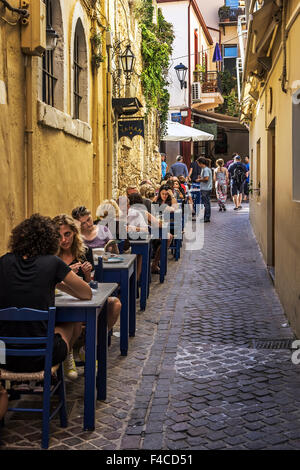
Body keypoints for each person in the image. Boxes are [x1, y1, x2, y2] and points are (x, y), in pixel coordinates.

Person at [0, 214, 92, 382]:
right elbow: (86, 293)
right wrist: (56, 281)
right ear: (50, 240)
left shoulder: (4, 261)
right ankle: (57, 370)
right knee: (70, 322)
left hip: (4, 355)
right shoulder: (53, 263)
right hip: (42, 356)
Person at [53, 214, 121, 376]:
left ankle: (89, 346)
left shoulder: (84, 252)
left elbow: (91, 287)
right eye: (59, 236)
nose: (64, 240)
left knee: (115, 304)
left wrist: (88, 274)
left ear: (74, 233)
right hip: (60, 305)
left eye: (67, 234)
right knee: (74, 317)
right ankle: (67, 354)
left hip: (81, 300)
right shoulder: (51, 256)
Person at [197, 157, 213, 223]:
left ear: (201, 163)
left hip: (205, 188)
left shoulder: (205, 169)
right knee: (207, 203)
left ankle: (206, 217)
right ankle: (206, 217)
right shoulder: (206, 169)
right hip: (207, 188)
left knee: (206, 204)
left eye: (198, 163)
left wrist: (199, 180)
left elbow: (206, 179)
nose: (198, 164)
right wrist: (201, 178)